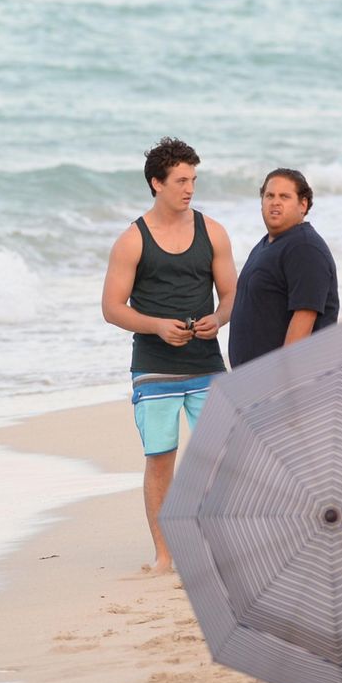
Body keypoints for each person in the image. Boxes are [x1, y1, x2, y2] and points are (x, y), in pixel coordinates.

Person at [102, 137, 236, 574]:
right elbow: (112, 308)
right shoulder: (132, 240)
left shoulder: (212, 231)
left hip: (206, 363)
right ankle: (166, 554)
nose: (189, 188)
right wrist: (157, 325)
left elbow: (232, 293)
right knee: (161, 459)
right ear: (156, 183)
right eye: (181, 180)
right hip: (154, 367)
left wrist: (219, 318)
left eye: (193, 180)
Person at [227, 168, 339, 366]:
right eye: (269, 196)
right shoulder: (268, 244)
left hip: (287, 382)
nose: (275, 202)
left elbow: (305, 315)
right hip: (255, 381)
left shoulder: (304, 248)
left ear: (303, 204)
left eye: (284, 196)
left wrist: (283, 380)